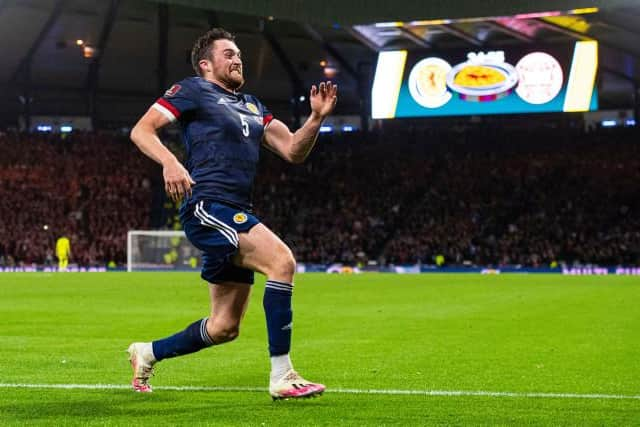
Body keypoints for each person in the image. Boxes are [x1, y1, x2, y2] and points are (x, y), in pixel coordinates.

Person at [127, 28, 337, 400]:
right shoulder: (193, 89)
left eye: (238, 53)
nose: (237, 58)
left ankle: (147, 352)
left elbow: (292, 150)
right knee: (281, 262)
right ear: (206, 64)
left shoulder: (255, 106)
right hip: (207, 205)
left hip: (236, 210)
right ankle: (282, 375)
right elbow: (142, 131)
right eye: (228, 54)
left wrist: (316, 119)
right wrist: (171, 162)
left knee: (225, 327)